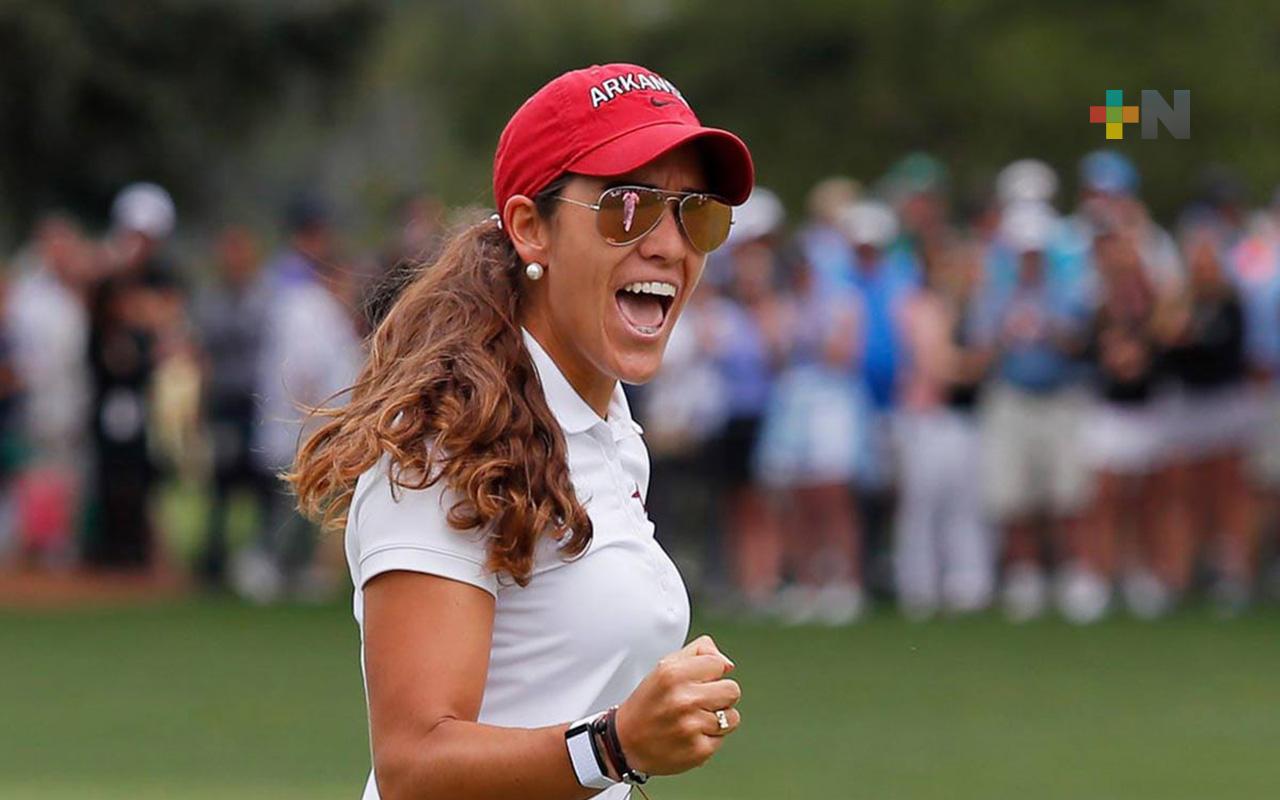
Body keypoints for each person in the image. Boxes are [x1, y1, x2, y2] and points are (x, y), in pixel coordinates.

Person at [288, 63, 754, 799]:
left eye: (696, 212)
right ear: (530, 229)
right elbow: (414, 764)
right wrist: (616, 743)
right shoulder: (443, 448)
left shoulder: (607, 427)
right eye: (626, 205)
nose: (669, 244)